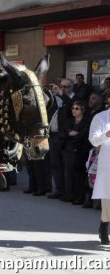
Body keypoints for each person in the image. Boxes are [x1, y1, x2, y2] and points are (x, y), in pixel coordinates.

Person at [60, 101, 91, 205]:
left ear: (82, 111)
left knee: (78, 175)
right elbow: (63, 134)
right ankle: (70, 195)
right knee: (69, 173)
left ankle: (79, 197)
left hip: (80, 151)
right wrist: (72, 135)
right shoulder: (69, 121)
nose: (74, 110)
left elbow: (83, 136)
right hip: (68, 150)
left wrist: (75, 135)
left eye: (77, 108)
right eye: (73, 108)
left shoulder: (86, 122)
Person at [89, 106, 110, 245]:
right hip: (108, 165)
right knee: (108, 201)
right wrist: (107, 134)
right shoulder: (100, 117)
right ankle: (104, 224)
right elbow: (94, 140)